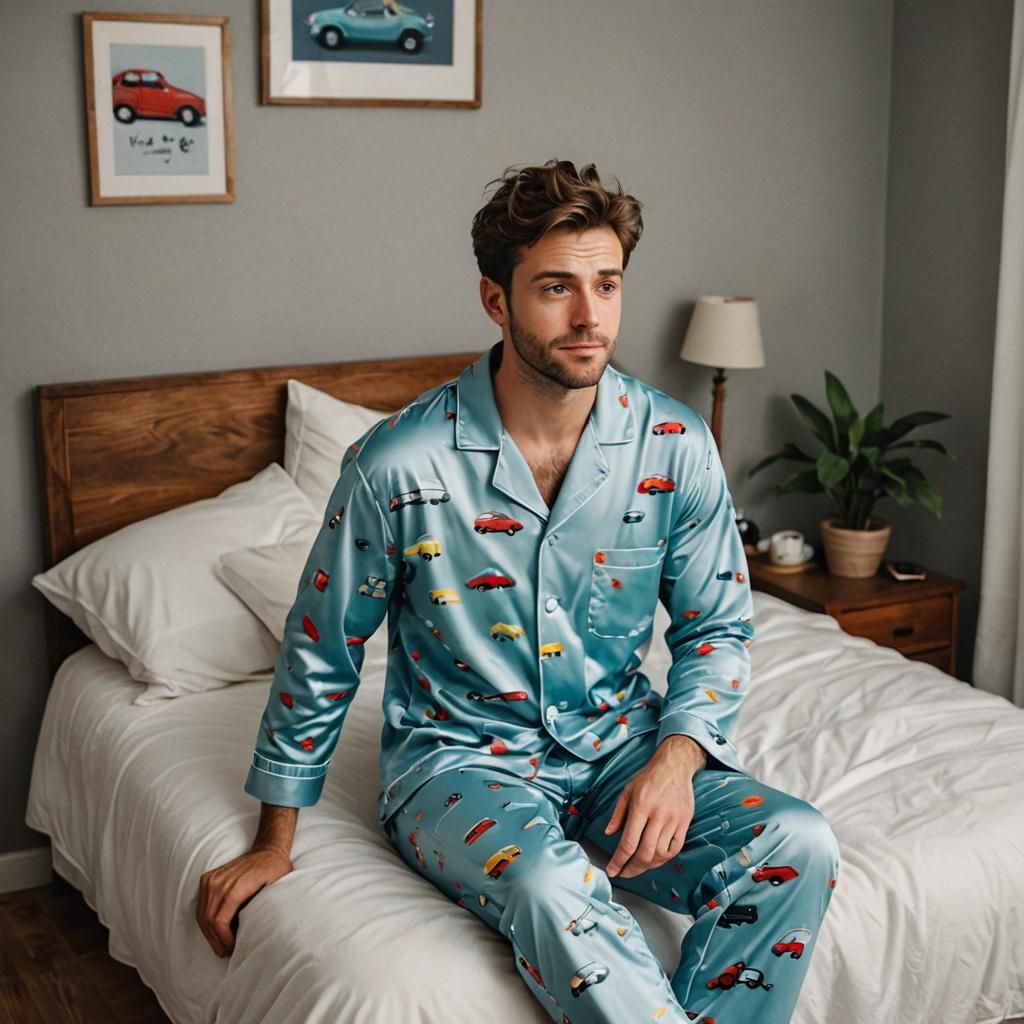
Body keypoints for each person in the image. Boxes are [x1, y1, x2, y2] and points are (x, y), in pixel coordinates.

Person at [196, 159, 840, 1023]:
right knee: (549, 883)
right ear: (496, 301)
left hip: (621, 747)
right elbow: (322, 648)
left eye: (606, 284)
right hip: (457, 764)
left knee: (797, 842)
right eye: (555, 288)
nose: (589, 316)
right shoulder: (398, 464)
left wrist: (678, 759)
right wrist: (273, 841)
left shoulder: (676, 445)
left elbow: (718, 625)